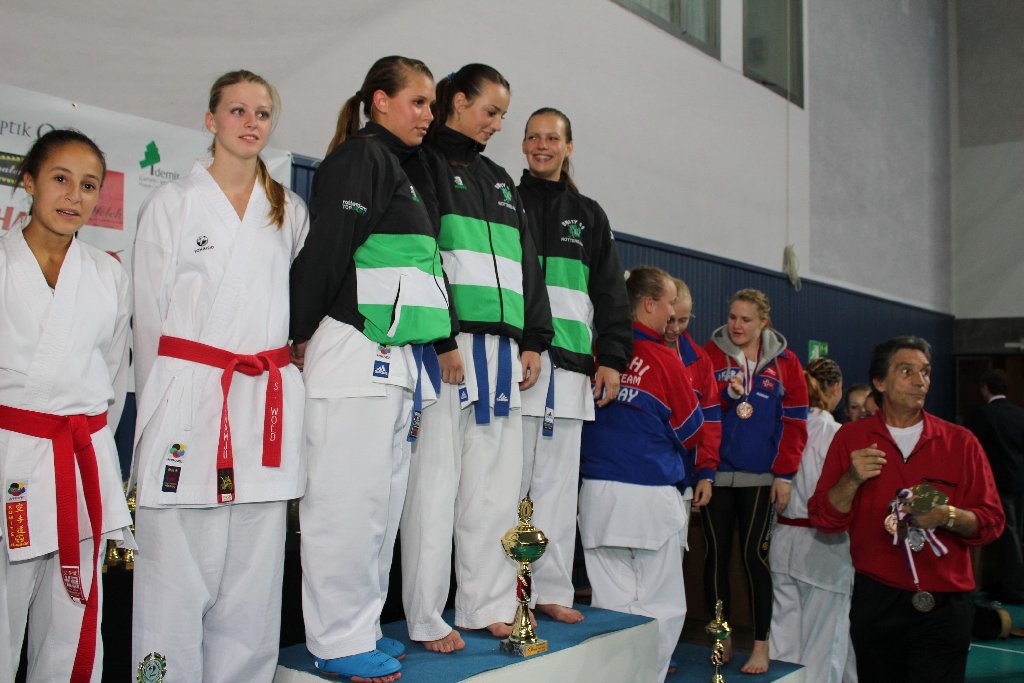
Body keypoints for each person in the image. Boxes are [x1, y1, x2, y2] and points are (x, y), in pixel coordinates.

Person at [131, 70, 309, 683]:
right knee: (175, 572)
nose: (251, 122)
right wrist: (157, 417)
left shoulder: (289, 210)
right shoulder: (172, 204)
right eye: (237, 110)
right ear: (211, 120)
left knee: (254, 581)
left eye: (262, 112)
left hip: (263, 403)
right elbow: (149, 322)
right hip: (188, 399)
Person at [289, 56, 455, 681]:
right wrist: (299, 330)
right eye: (418, 101)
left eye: (431, 104)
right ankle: (336, 638)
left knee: (379, 507)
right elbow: (327, 250)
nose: (429, 114)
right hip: (352, 349)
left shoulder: (404, 167)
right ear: (380, 101)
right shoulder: (359, 158)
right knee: (345, 506)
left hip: (396, 360)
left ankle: (360, 628)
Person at [399, 63, 553, 653]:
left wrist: (535, 337)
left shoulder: (499, 179)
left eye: (502, 115)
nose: (497, 124)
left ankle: (486, 603)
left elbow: (529, 263)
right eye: (490, 111)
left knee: (495, 487)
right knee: (434, 486)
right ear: (458, 101)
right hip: (450, 346)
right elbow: (419, 253)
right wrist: (441, 338)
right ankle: (425, 615)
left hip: (504, 351)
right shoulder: (423, 163)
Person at [0, 129, 132, 683]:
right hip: (11, 452)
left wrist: (98, 448)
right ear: (29, 182)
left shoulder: (107, 273)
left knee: (73, 618)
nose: (74, 196)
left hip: (81, 455)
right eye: (61, 179)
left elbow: (114, 374)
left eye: (88, 185)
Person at [808, 336, 1005, 683]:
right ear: (880, 382)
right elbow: (824, 518)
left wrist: (947, 516)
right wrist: (851, 479)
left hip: (946, 603)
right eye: (906, 371)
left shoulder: (961, 443)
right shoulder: (851, 439)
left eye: (925, 372)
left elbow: (991, 522)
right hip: (877, 599)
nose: (920, 381)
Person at [516, 107, 632, 625]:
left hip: (571, 371)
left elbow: (610, 294)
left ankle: (551, 590)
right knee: (506, 490)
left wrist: (613, 358)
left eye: (552, 138)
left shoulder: (589, 215)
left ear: (568, 146)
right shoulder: (505, 199)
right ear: (523, 144)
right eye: (533, 137)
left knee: (559, 492)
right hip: (518, 363)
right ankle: (503, 593)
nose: (542, 145)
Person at [579, 266, 705, 682]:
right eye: (669, 304)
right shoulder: (665, 358)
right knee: (661, 604)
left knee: (610, 605)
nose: (673, 314)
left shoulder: (595, 351)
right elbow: (691, 430)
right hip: (650, 493)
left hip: (598, 494)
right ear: (648, 304)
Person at [702, 288, 808, 674]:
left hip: (762, 478)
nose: (737, 325)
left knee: (754, 557)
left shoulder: (787, 364)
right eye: (732, 317)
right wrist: (725, 397)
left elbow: (795, 424)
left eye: (746, 319)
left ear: (763, 321)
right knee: (715, 556)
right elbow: (701, 408)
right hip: (717, 474)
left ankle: (761, 646)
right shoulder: (711, 355)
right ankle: (722, 634)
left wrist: (785, 474)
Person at [769, 358, 855, 683]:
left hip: (782, 537)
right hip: (824, 544)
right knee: (823, 641)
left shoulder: (782, 427)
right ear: (836, 389)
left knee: (783, 637)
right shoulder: (836, 434)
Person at [662, 277, 719, 610]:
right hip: (642, 473)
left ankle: (666, 639)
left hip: (682, 478)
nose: (675, 328)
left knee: (672, 564)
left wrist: (707, 472)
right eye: (671, 319)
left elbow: (711, 422)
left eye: (683, 320)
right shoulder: (635, 351)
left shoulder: (699, 360)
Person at [966, 369, 1024, 603]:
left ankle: (1013, 587)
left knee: (1007, 537)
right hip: (1019, 482)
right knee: (1015, 534)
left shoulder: (982, 415)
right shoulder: (1019, 414)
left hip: (996, 484)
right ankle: (1006, 584)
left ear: (985, 388)